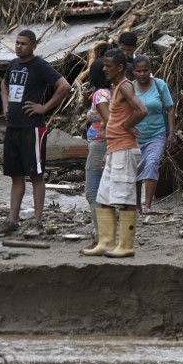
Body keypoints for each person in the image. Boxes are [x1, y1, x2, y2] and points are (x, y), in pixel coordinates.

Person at [0, 30, 72, 237]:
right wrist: (5, 104)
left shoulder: (40, 66)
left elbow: (64, 86)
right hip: (13, 127)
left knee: (36, 174)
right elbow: (4, 83)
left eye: (23, 43)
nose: (19, 46)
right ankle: (12, 219)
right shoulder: (13, 64)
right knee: (16, 175)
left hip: (33, 128)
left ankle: (37, 221)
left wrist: (44, 107)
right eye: (17, 42)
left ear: (33, 46)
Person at [82, 49, 147, 257]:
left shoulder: (125, 86)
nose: (105, 69)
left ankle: (126, 246)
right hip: (113, 148)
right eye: (104, 66)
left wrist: (126, 125)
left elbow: (141, 110)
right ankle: (106, 242)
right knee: (105, 196)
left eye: (109, 66)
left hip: (124, 148)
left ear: (120, 68)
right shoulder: (115, 87)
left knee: (125, 198)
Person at [131, 55, 175, 216]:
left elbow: (170, 108)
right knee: (135, 169)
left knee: (151, 163)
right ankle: (136, 206)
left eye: (145, 70)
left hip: (157, 134)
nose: (142, 74)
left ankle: (148, 206)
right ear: (133, 71)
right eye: (139, 71)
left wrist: (171, 133)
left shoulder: (159, 85)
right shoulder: (129, 88)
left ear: (151, 70)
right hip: (135, 136)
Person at [83, 61, 110, 245]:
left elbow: (108, 122)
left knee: (93, 192)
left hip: (100, 144)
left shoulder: (100, 95)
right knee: (107, 192)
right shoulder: (115, 91)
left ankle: (102, 236)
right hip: (108, 144)